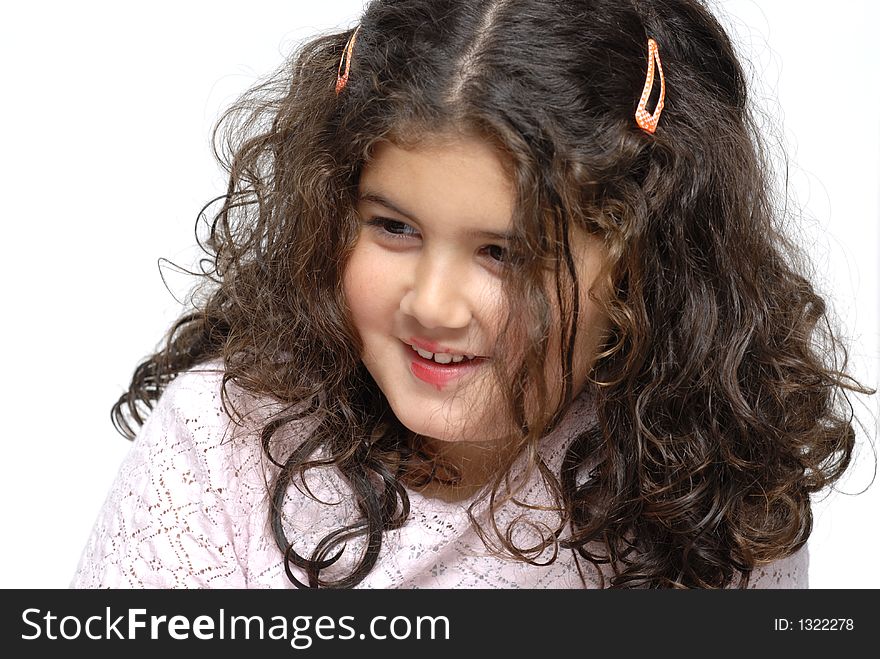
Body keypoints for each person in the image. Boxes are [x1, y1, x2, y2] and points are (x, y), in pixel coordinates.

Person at [71, 0, 873, 589]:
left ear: (640, 259)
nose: (436, 304)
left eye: (505, 251)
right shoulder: (219, 446)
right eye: (393, 228)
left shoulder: (707, 488)